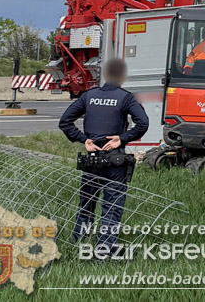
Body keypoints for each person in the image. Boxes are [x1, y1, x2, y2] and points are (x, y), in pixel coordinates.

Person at [59, 58, 149, 256]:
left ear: (105, 75)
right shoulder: (125, 98)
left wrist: (84, 139)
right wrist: (122, 139)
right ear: (122, 77)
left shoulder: (88, 96)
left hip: (91, 160)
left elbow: (65, 122)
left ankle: (79, 243)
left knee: (87, 203)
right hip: (113, 160)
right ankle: (105, 249)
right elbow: (142, 123)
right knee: (112, 205)